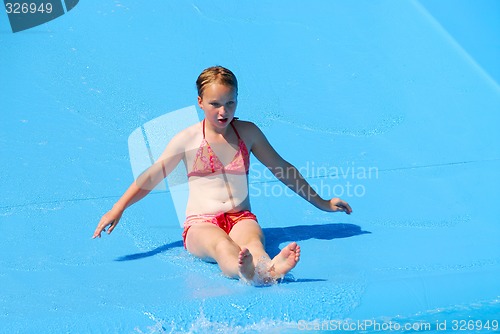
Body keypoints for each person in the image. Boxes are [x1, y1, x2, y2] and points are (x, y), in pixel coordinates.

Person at [93, 66, 352, 285]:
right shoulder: (187, 139)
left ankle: (268, 269)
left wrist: (323, 203)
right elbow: (150, 177)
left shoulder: (247, 133)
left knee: (252, 242)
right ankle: (247, 271)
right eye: (215, 104)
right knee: (222, 247)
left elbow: (282, 169)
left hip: (241, 216)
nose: (223, 112)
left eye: (230, 103)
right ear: (200, 102)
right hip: (201, 224)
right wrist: (118, 209)